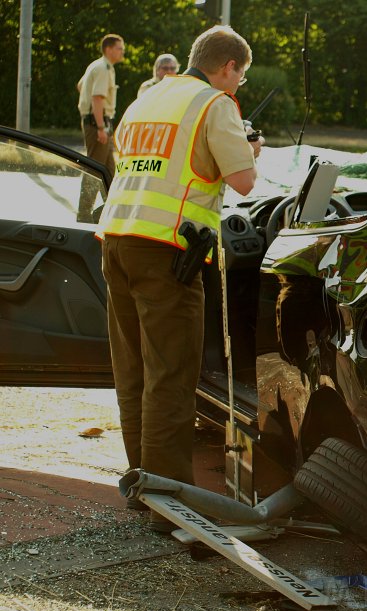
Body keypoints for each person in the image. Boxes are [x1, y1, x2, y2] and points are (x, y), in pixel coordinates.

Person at [97, 25, 264, 533]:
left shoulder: (147, 99)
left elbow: (139, 165)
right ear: (228, 67)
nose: (237, 87)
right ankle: (168, 508)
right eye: (239, 77)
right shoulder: (215, 104)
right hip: (168, 253)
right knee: (170, 378)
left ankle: (141, 485)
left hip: (117, 240)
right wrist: (251, 149)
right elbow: (243, 181)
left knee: (134, 375)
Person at [77, 34, 125, 178]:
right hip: (97, 124)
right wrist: (100, 127)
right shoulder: (103, 68)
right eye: (119, 48)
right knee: (94, 172)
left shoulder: (98, 65)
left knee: (109, 172)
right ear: (108, 49)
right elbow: (97, 98)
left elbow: (81, 86)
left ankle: (111, 201)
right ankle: (85, 202)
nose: (122, 52)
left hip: (99, 122)